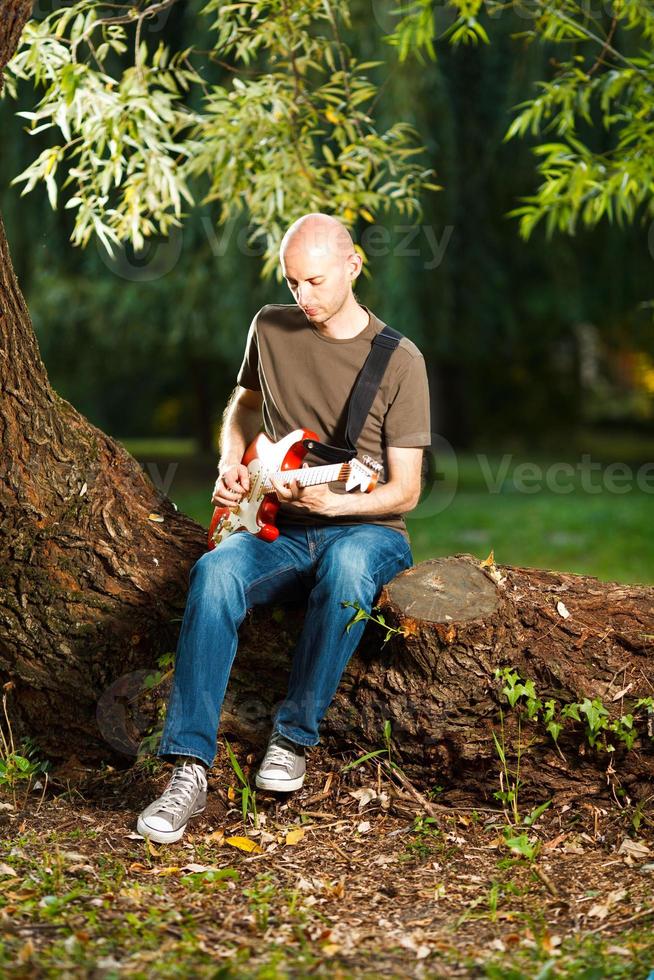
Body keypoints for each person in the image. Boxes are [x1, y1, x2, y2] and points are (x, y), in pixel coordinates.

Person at [137, 212, 431, 843]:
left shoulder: (401, 359)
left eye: (317, 282)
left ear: (353, 268)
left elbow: (405, 489)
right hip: (278, 526)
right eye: (293, 283)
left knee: (350, 568)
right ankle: (187, 769)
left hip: (366, 529)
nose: (305, 298)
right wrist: (230, 462)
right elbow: (243, 404)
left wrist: (339, 509)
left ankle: (293, 737)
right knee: (214, 573)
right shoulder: (270, 327)